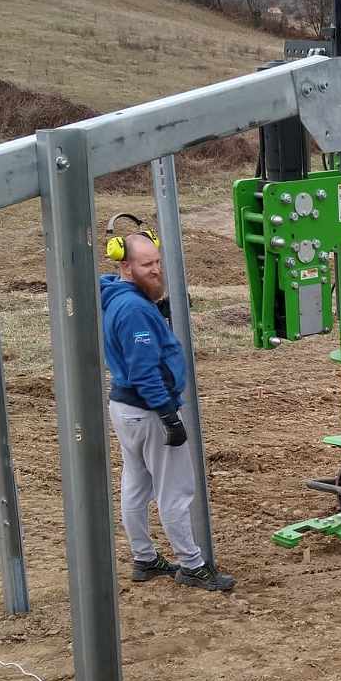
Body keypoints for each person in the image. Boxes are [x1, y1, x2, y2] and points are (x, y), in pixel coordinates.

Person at [100, 232, 235, 593]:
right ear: (125, 266)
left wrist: (157, 315)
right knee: (175, 491)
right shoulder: (133, 311)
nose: (156, 270)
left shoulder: (119, 296)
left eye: (158, 262)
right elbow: (144, 370)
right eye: (147, 265)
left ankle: (144, 558)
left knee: (136, 483)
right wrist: (168, 415)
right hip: (148, 410)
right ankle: (192, 565)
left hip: (126, 408)